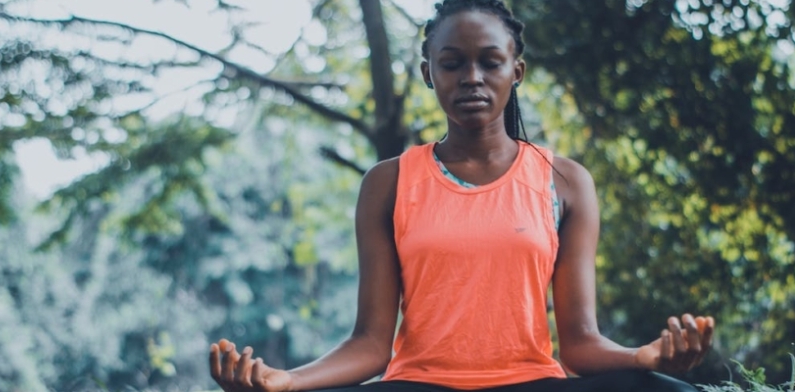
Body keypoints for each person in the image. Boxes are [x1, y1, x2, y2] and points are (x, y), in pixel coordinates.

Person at [208, 1, 715, 391]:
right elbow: (369, 344)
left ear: (516, 71)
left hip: (530, 382)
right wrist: (288, 379)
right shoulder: (388, 183)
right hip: (417, 385)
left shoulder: (563, 180)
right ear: (430, 73)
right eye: (452, 64)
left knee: (663, 388)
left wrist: (644, 357)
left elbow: (580, 345)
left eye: (490, 62)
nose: (472, 77)